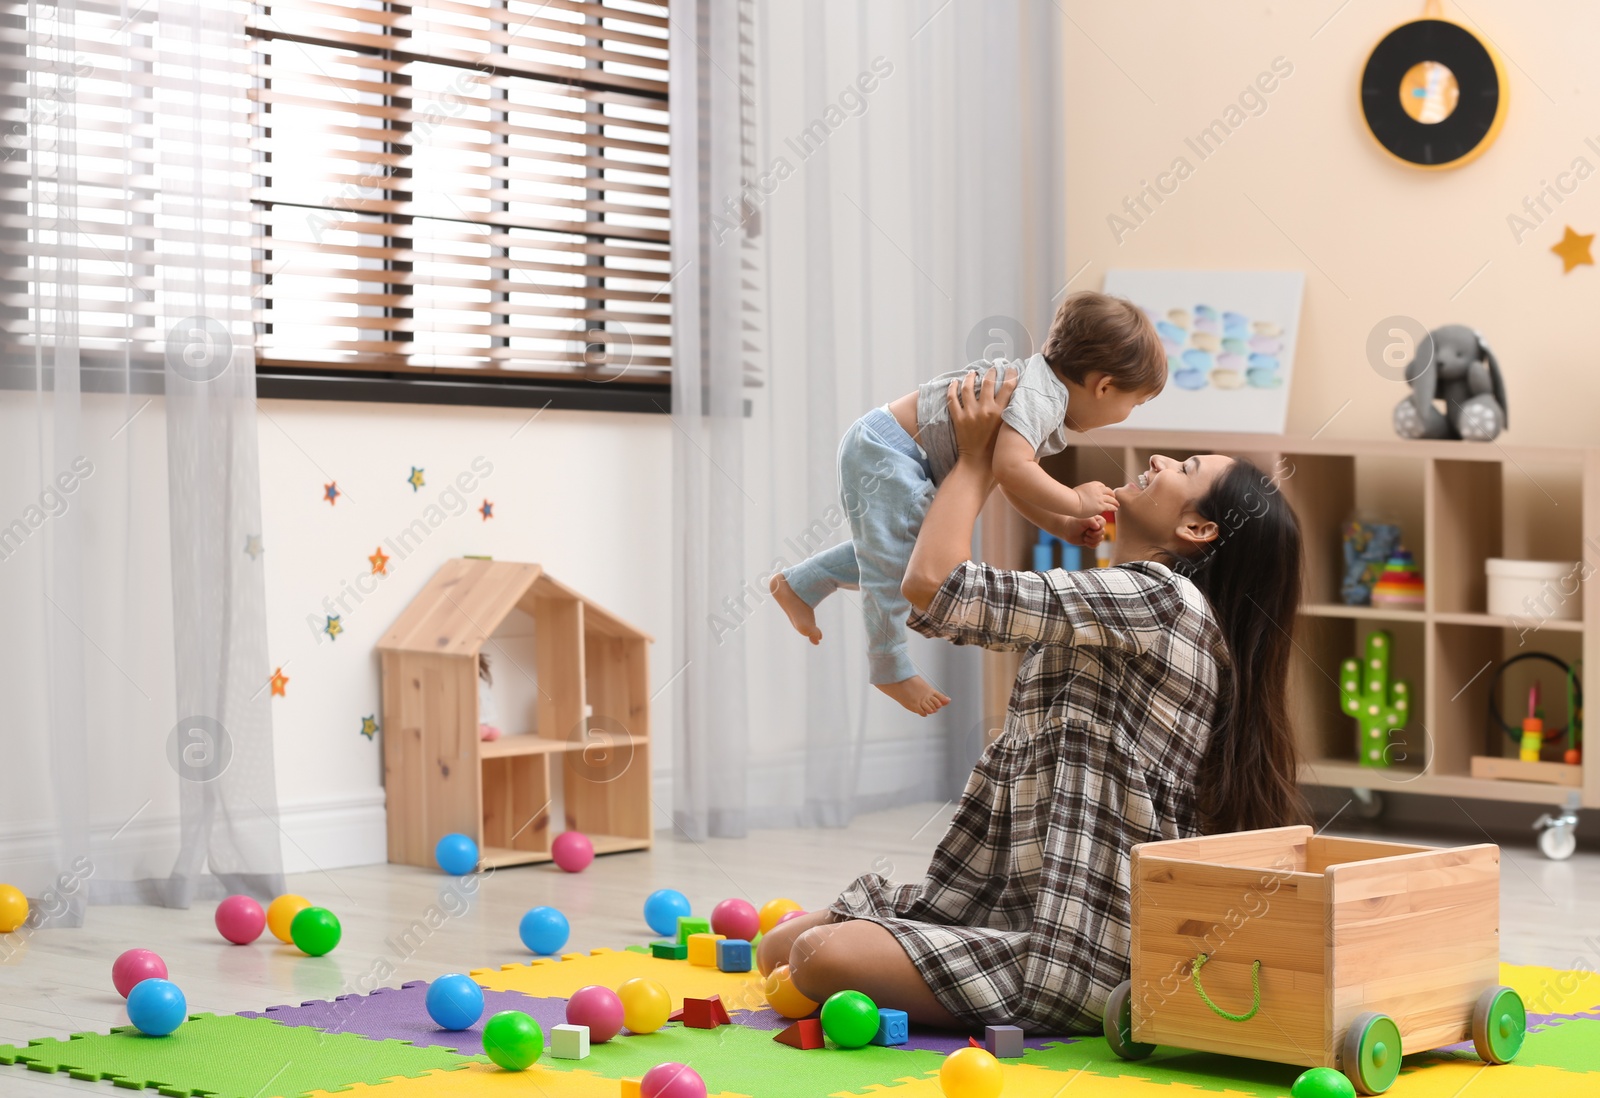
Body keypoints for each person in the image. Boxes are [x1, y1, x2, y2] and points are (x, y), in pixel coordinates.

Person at [757, 369, 1308, 1033]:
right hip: (1012, 900)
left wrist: (978, 458)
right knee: (778, 948)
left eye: (1184, 467)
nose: (1159, 458)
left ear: (1197, 527)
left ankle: (1049, 1001)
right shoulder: (1131, 598)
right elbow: (937, 588)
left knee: (818, 958)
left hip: (1081, 948)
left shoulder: (1160, 601)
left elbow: (934, 587)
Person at [770, 290, 1167, 716]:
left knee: (895, 554)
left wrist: (1062, 525)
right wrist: (1073, 499)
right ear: (1104, 386)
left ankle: (801, 583)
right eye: (1136, 403)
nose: (1131, 412)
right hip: (890, 452)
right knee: (892, 562)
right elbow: (1014, 470)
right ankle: (889, 665)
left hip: (893, 449)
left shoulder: (1042, 393)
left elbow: (1007, 472)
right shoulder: (1042, 399)